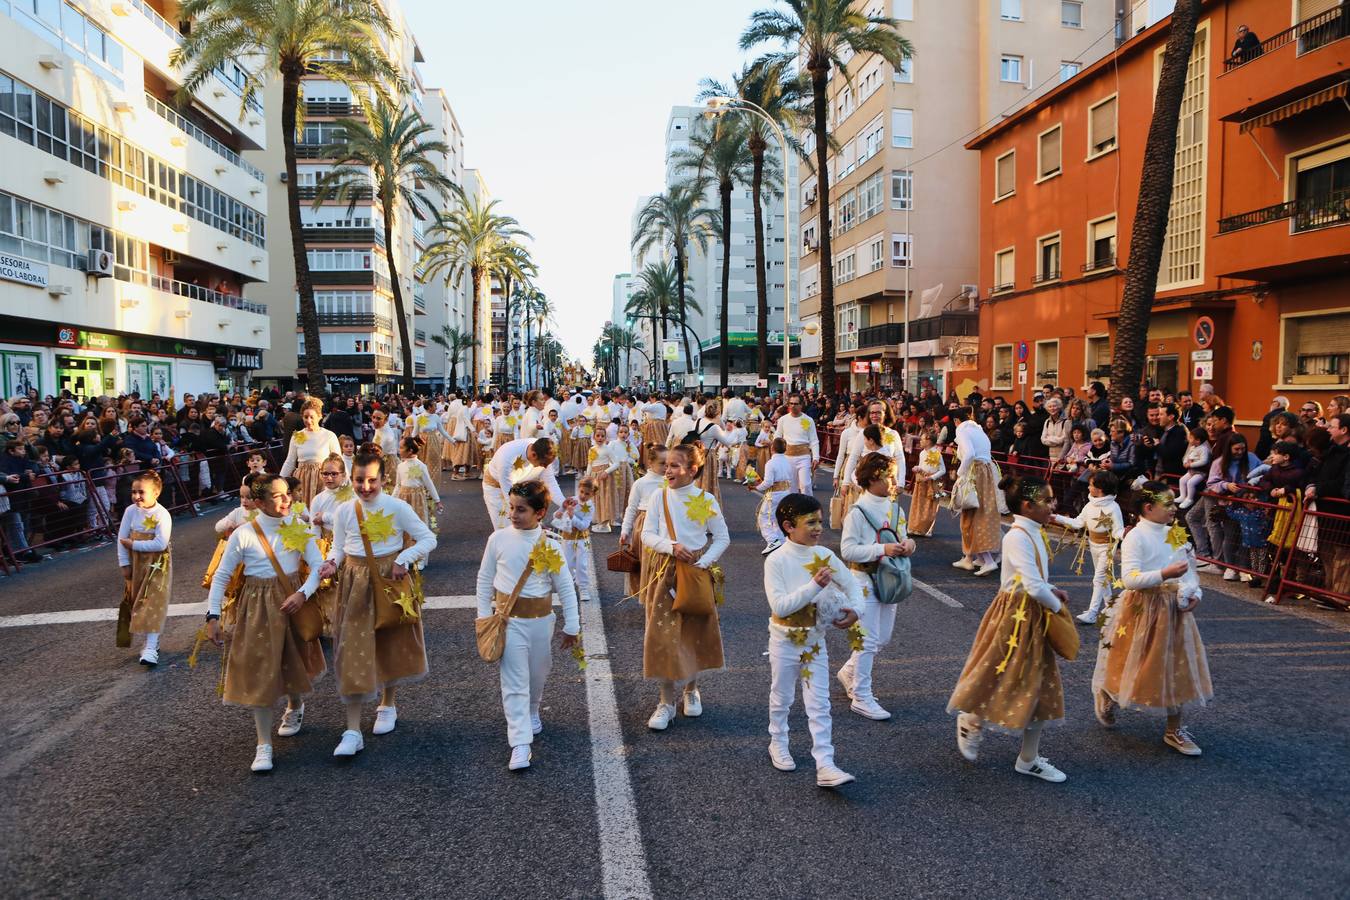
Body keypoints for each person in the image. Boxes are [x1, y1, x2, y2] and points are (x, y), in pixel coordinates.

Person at [948, 475, 1069, 783]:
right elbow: (1029, 584)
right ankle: (971, 719)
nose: (1053, 504)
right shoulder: (1016, 536)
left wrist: (1051, 589)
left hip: (1032, 612)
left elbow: (1034, 579)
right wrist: (1057, 608)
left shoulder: (1034, 531)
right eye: (1048, 499)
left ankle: (1028, 758)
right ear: (1028, 506)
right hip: (1016, 617)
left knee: (1039, 684)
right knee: (996, 672)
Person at [316, 448, 437, 757]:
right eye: (359, 480)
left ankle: (388, 703)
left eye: (372, 480)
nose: (365, 487)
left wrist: (404, 558)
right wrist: (331, 563)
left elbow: (427, 538)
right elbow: (340, 547)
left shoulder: (396, 507)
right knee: (352, 649)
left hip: (389, 580)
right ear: (350, 479)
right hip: (354, 583)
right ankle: (352, 730)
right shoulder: (345, 511)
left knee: (389, 641)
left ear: (384, 479)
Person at [203, 473, 326, 773]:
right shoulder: (243, 534)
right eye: (278, 496)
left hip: (291, 600)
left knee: (291, 659)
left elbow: (316, 566)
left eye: (288, 494)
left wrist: (302, 593)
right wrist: (212, 615)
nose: (287, 500)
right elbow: (221, 575)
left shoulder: (297, 527)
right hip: (256, 605)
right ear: (258, 503)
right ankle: (263, 744)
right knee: (260, 669)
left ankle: (295, 705)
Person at [1092, 482, 1211, 756]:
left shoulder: (1176, 533)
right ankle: (1108, 693)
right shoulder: (1136, 537)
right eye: (1168, 504)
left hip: (1174, 609)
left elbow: (1190, 572)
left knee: (1176, 665)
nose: (1174, 508)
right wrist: (1164, 574)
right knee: (1130, 660)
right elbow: (1129, 579)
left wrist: (1196, 593)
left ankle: (1174, 729)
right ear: (1149, 507)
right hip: (1143, 608)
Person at [476, 480, 580, 771]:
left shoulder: (551, 545)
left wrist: (572, 624)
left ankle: (534, 708)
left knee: (538, 673)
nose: (513, 514)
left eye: (521, 509)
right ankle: (520, 743)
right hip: (509, 622)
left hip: (541, 622)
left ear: (540, 512)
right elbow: (485, 579)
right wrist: (484, 616)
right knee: (514, 682)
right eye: (511, 507)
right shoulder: (497, 540)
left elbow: (565, 587)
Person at [763, 493, 863, 788]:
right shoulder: (776, 561)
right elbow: (780, 606)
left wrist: (856, 610)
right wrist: (813, 586)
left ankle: (825, 763)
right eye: (811, 522)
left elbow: (853, 586)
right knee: (782, 696)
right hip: (784, 641)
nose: (819, 527)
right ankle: (777, 740)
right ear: (788, 526)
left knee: (819, 703)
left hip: (815, 642)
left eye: (820, 521)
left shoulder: (827, 557)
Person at [639, 443, 730, 731]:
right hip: (664, 572)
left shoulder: (706, 499)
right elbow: (647, 535)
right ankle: (665, 701)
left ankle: (691, 690)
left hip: (696, 573)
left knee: (692, 632)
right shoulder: (658, 496)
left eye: (675, 466)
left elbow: (722, 537)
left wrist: (704, 565)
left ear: (693, 470)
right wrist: (671, 546)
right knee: (664, 635)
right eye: (666, 465)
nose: (668, 470)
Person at [838, 453, 915, 722]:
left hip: (890, 579)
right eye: (889, 476)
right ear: (872, 478)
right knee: (868, 641)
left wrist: (908, 546)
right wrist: (882, 549)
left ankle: (849, 672)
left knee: (881, 638)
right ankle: (861, 696)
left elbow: (905, 537)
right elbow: (847, 549)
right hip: (862, 580)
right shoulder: (857, 512)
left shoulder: (896, 509)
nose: (894, 481)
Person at [1054, 470, 1125, 624]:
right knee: (1103, 578)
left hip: (1107, 547)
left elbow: (1119, 530)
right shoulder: (1089, 505)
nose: (1088, 488)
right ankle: (1110, 607)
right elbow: (1079, 523)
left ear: (1100, 489)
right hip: (1093, 545)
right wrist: (1057, 518)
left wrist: (1127, 536)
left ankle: (1092, 612)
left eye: (1091, 485)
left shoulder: (1113, 507)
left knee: (1098, 579)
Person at [116, 470, 172, 666]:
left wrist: (135, 545)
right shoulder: (130, 511)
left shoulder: (162, 514)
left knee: (152, 602)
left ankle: (150, 647)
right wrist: (124, 563)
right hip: (136, 563)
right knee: (137, 602)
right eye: (134, 492)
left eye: (142, 492)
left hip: (157, 564)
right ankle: (150, 643)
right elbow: (121, 539)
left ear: (156, 492)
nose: (137, 496)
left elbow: (160, 543)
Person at [952, 407, 1001, 576]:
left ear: (956, 421)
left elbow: (969, 454)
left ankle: (986, 560)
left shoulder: (962, 429)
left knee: (972, 515)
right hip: (985, 472)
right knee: (980, 513)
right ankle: (971, 557)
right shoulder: (978, 430)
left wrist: (960, 475)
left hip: (974, 473)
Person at [482, 437, 564, 530]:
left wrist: (563, 502)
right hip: (496, 489)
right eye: (543, 464)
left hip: (519, 488)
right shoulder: (507, 456)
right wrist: (531, 522)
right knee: (506, 528)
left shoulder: (544, 453)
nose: (545, 467)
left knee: (526, 526)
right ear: (534, 455)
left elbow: (550, 482)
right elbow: (509, 496)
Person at [279, 398, 342, 507]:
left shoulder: (329, 435)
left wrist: (343, 481)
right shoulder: (297, 436)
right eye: (305, 417)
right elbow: (290, 461)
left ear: (319, 417)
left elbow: (338, 461)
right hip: (302, 480)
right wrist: (279, 481)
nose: (308, 421)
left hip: (323, 479)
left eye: (312, 417)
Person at [553, 476, 598, 603]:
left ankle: (583, 588)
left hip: (582, 540)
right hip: (567, 538)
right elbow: (557, 515)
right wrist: (560, 511)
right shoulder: (572, 500)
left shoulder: (590, 507)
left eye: (587, 493)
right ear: (579, 489)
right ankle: (568, 587)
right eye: (582, 492)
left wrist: (572, 517)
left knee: (581, 565)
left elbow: (584, 525)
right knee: (566, 564)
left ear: (593, 494)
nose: (583, 495)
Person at [752, 437, 794, 554]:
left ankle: (772, 540)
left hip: (774, 494)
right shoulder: (788, 461)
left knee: (764, 516)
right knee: (778, 518)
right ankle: (782, 542)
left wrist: (756, 487)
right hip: (786, 492)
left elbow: (768, 482)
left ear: (772, 448)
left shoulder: (771, 463)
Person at [773, 394, 820, 495]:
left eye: (796, 404)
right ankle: (793, 508)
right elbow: (777, 437)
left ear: (801, 405)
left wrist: (816, 457)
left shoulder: (808, 420)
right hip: (788, 456)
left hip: (804, 456)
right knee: (791, 486)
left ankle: (808, 508)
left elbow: (814, 440)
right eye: (791, 403)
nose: (793, 406)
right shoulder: (783, 420)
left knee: (805, 484)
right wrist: (775, 455)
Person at [394, 436, 443, 531]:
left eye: (401, 447)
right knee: (404, 520)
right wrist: (392, 499)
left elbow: (429, 483)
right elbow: (398, 485)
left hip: (418, 498)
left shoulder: (420, 466)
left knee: (418, 519)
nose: (398, 450)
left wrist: (437, 500)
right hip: (403, 498)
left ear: (410, 451)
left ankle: (420, 540)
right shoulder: (400, 466)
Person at [908, 429, 945, 537]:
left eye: (922, 439)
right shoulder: (922, 453)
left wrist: (931, 477)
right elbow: (922, 466)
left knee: (931, 506)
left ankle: (926, 529)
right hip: (921, 481)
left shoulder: (937, 454)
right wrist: (918, 468)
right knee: (918, 503)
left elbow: (943, 470)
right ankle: (915, 527)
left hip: (932, 483)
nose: (920, 441)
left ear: (928, 441)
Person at [1177, 427, 1211, 509]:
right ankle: (1182, 496)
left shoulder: (1204, 449)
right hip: (1191, 471)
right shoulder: (1192, 447)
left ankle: (1189, 499)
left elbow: (1204, 461)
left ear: (1198, 440)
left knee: (1190, 483)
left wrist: (1191, 465)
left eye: (1191, 438)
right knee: (1182, 480)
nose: (1189, 439)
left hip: (1200, 472)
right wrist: (1185, 462)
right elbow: (1187, 456)